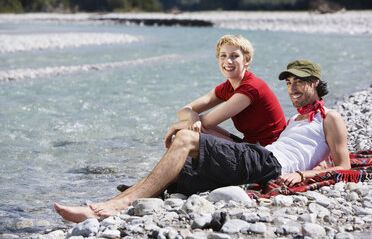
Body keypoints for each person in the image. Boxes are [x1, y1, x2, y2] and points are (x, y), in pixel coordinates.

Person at [54, 59, 351, 224]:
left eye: (298, 81)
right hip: (260, 156)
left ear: (314, 83)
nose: (292, 88)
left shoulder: (330, 117)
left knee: (186, 137)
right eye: (288, 82)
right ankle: (102, 207)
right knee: (179, 175)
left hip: (269, 164)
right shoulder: (298, 119)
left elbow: (344, 166)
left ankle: (119, 205)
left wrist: (302, 174)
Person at [168, 34, 286, 147]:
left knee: (192, 131)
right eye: (223, 55)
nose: (228, 61)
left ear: (247, 60)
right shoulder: (227, 87)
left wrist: (175, 127)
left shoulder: (251, 87)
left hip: (267, 152)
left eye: (234, 56)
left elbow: (208, 122)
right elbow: (182, 111)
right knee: (195, 127)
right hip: (249, 144)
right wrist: (192, 114)